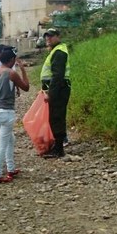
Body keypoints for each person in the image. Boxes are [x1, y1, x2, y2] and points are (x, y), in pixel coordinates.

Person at [0, 46, 29, 184]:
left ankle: (11, 167)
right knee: (2, 143)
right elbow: (26, 87)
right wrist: (23, 70)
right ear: (11, 60)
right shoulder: (11, 73)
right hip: (6, 112)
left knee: (10, 139)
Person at [40, 28, 71, 158]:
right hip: (58, 89)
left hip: (59, 90)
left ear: (58, 36)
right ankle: (56, 146)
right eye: (47, 36)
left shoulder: (59, 52)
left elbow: (57, 76)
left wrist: (50, 95)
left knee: (56, 117)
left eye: (51, 36)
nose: (48, 38)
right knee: (55, 116)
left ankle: (58, 149)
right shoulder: (56, 51)